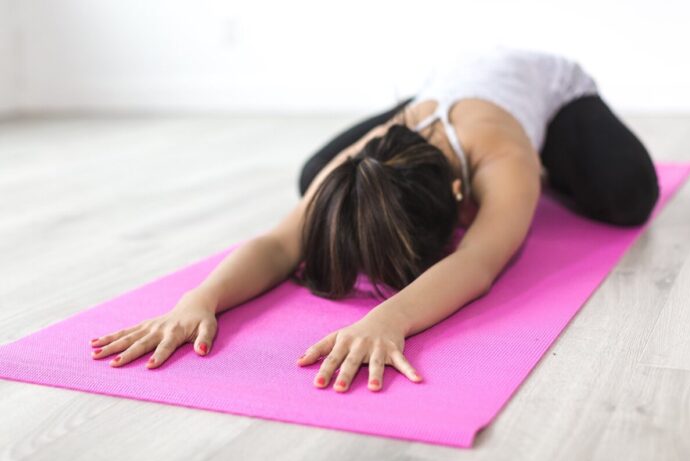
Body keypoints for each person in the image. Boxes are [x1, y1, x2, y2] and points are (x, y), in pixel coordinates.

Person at [88, 46, 660, 393]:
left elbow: (479, 262)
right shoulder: (368, 154)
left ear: (463, 201)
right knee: (319, 177)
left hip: (547, 92)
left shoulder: (504, 160)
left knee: (631, 196)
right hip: (440, 93)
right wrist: (199, 300)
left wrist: (389, 319)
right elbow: (278, 244)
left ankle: (556, 166)